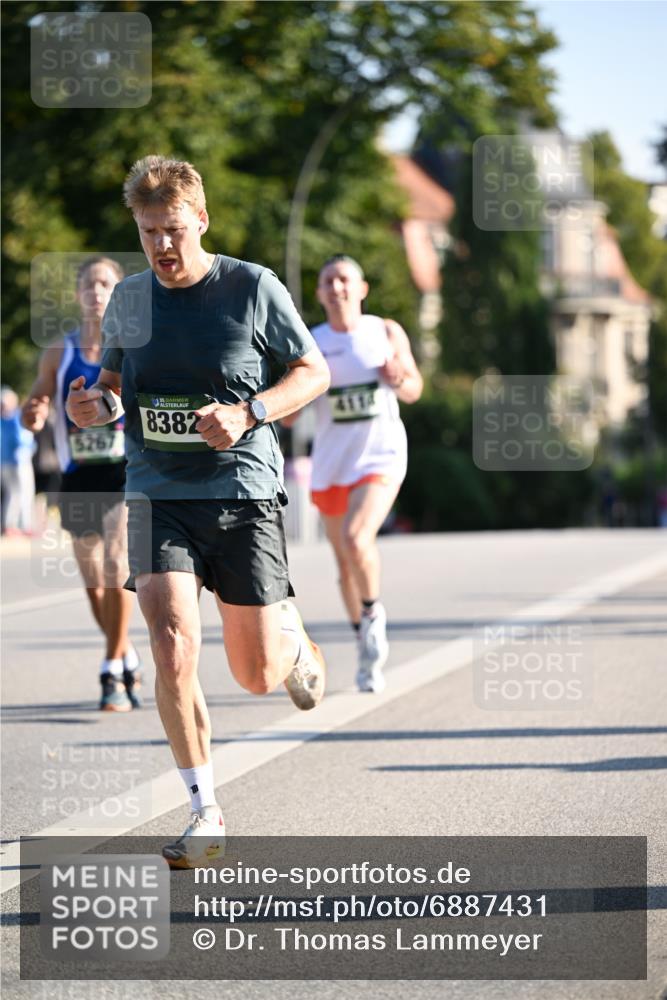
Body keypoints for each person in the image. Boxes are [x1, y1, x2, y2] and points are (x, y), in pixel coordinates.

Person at [66, 155, 330, 868]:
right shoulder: (129, 301)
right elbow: (117, 385)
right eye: (150, 231)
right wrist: (93, 404)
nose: (163, 245)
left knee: (254, 674)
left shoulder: (251, 288)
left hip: (241, 491)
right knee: (172, 642)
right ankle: (205, 809)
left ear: (201, 219)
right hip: (157, 492)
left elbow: (313, 372)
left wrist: (249, 413)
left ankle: (292, 640)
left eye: (174, 229)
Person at [287, 254, 422, 693]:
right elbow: (288, 417)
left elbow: (415, 389)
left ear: (361, 289)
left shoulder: (385, 331)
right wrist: (299, 394)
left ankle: (372, 612)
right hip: (332, 464)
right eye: (329, 281)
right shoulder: (312, 341)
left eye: (345, 279)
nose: (337, 287)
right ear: (320, 293)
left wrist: (398, 377)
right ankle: (365, 643)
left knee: (357, 538)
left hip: (381, 456)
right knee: (344, 564)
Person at [21, 257, 142, 712]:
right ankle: (125, 650)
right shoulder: (59, 351)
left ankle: (111, 669)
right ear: (78, 294)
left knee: (115, 564)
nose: (97, 292)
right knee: (94, 584)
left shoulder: (130, 348)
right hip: (77, 478)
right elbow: (38, 398)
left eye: (106, 283)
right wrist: (34, 412)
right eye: (89, 284)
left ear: (117, 294)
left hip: (122, 473)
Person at [1, 387, 35, 536]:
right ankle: (19, 525)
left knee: (12, 494)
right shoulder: (15, 418)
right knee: (22, 494)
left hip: (5, 462)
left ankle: (12, 525)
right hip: (17, 462)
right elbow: (21, 440)